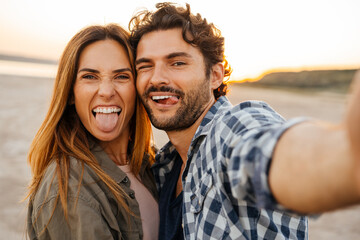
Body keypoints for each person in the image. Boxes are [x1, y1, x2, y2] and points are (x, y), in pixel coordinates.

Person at [129, 2, 360, 239]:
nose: (157, 78)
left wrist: (343, 159)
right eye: (145, 66)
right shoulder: (163, 168)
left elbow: (265, 151)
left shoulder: (229, 130)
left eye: (177, 63)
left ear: (215, 76)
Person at [26, 24, 159, 240]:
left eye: (122, 76)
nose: (106, 92)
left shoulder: (150, 164)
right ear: (70, 93)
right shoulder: (69, 186)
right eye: (90, 76)